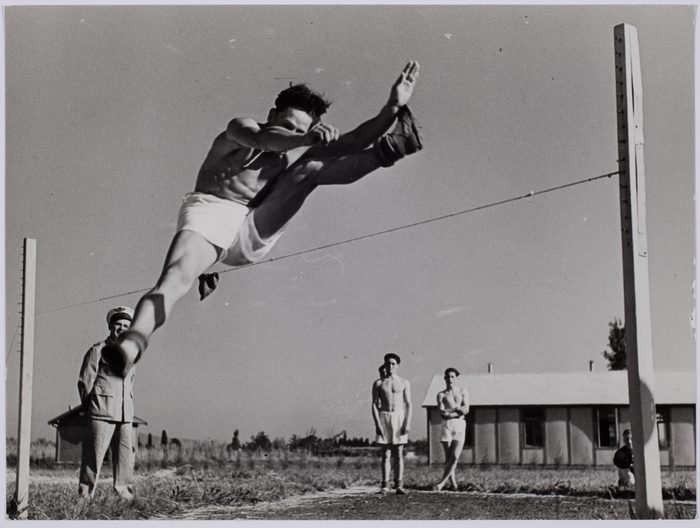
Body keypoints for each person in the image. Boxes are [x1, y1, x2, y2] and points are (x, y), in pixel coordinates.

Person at [102, 62, 423, 377]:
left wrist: (393, 106)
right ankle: (130, 347)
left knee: (311, 170)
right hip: (210, 212)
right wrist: (304, 139)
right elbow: (263, 140)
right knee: (174, 279)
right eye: (286, 124)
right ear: (271, 116)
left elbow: (353, 141)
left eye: (300, 129)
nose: (293, 134)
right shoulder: (240, 129)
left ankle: (389, 151)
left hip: (252, 228)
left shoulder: (299, 149)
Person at [77, 306, 137, 500]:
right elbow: (85, 382)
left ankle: (124, 495)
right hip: (101, 412)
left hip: (125, 414)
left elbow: (130, 383)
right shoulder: (98, 350)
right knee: (92, 457)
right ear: (110, 326)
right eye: (118, 324)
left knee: (125, 458)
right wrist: (91, 407)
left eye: (126, 325)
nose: (122, 328)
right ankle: (85, 496)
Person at [372, 353, 412, 494]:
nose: (390, 366)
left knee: (399, 453)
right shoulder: (379, 383)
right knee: (386, 453)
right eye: (388, 363)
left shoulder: (404, 382)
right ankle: (385, 485)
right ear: (385, 364)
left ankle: (399, 485)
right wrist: (378, 424)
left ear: (397, 366)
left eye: (393, 364)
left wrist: (407, 422)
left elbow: (408, 404)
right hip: (385, 417)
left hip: (399, 417)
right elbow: (374, 405)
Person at [433, 367, 470, 491]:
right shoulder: (441, 394)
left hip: (459, 424)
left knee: (454, 456)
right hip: (447, 425)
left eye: (452, 376)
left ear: (457, 378)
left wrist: (451, 412)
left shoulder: (462, 391)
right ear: (444, 378)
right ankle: (453, 484)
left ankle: (441, 483)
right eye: (448, 376)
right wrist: (456, 410)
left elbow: (466, 409)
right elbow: (442, 413)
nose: (450, 379)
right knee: (448, 458)